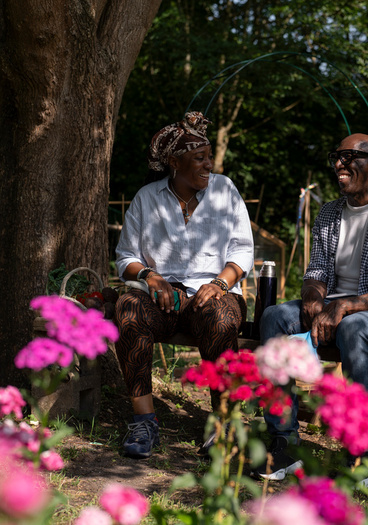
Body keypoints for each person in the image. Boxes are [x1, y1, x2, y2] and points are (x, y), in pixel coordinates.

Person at [255, 133, 368, 480]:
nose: (339, 165)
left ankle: (361, 454)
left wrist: (344, 307)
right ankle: (283, 444)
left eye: (350, 157)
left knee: (355, 327)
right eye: (336, 157)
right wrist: (314, 296)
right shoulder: (330, 212)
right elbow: (316, 271)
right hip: (333, 307)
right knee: (273, 317)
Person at [114, 112, 254, 458]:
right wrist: (150, 275)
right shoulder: (147, 198)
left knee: (222, 318)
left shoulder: (225, 190)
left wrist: (222, 283)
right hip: (163, 299)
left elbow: (243, 249)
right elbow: (125, 256)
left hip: (214, 294)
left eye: (209, 156)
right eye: (199, 158)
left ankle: (222, 426)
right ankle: (144, 421)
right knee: (128, 309)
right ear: (174, 162)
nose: (209, 164)